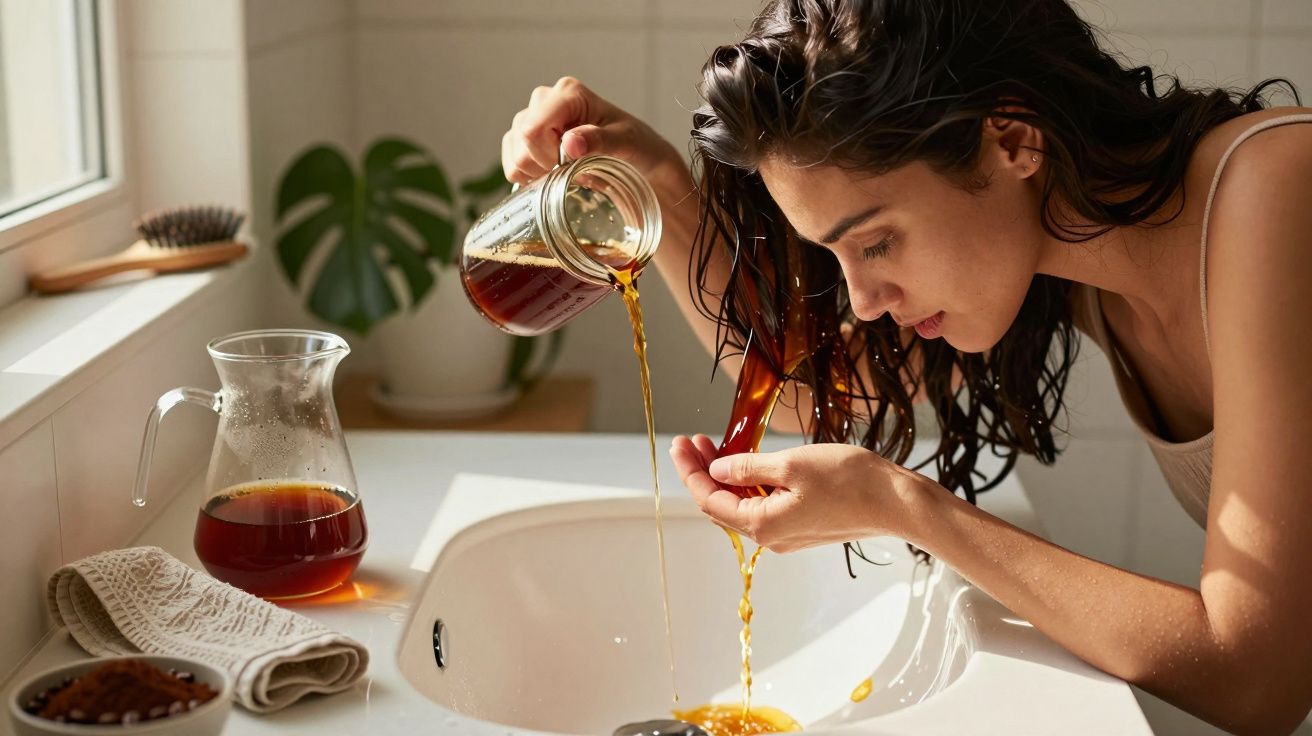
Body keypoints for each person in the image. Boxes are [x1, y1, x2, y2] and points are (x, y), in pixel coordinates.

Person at [498, 0, 1312, 732]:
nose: (861, 301)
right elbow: (817, 390)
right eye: (838, 255)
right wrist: (663, 186)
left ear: (1012, 139)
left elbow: (1257, 682)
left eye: (877, 241)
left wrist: (905, 506)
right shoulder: (1066, 257)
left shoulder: (1275, 191)